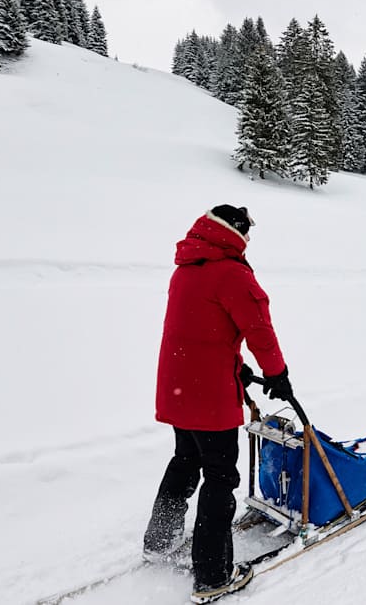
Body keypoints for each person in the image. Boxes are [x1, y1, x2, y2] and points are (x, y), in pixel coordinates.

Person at [143, 204, 293, 603]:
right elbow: (258, 329)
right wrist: (277, 374)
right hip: (209, 395)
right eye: (247, 233)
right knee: (220, 475)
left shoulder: (186, 267)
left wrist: (237, 367)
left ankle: (159, 540)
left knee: (185, 458)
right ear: (235, 232)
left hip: (179, 387)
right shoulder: (231, 272)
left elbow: (203, 330)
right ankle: (212, 576)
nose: (249, 240)